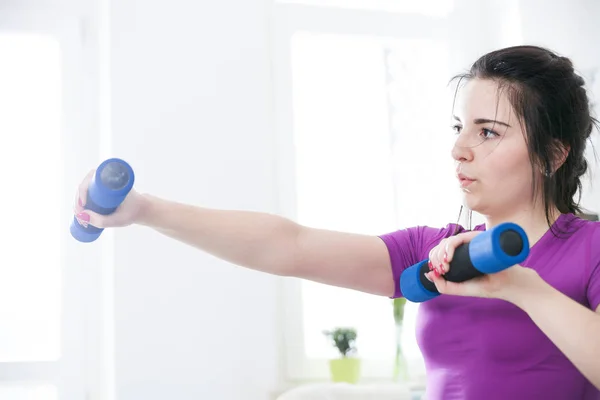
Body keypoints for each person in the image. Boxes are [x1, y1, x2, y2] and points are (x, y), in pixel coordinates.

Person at [73, 45, 600, 399]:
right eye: (461, 127)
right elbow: (289, 246)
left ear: (552, 155)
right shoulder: (434, 249)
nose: (459, 149)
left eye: (489, 132)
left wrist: (522, 288)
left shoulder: (591, 249)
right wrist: (145, 210)